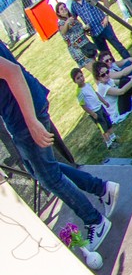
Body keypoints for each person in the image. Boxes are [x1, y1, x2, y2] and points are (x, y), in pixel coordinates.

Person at [1, 43, 117, 249]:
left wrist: (31, 121)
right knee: (45, 168)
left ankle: (95, 221)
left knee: (48, 177)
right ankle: (101, 188)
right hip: (20, 110)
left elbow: (12, 72)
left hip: (23, 113)